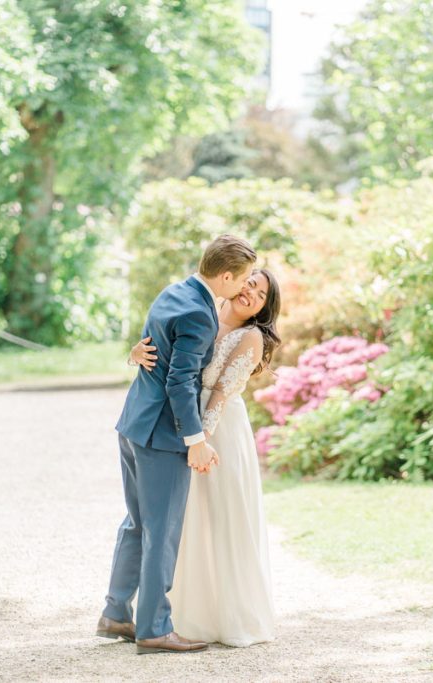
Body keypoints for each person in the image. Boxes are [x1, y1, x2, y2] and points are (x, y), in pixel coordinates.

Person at [97, 235, 256, 655]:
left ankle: (115, 612)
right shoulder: (199, 314)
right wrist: (196, 440)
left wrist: (135, 353)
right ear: (226, 276)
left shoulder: (173, 292)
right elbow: (179, 381)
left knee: (137, 523)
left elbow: (154, 350)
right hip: (162, 436)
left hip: (134, 424)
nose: (245, 287)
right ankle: (153, 628)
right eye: (243, 279)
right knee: (162, 531)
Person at [129, 268, 281, 647]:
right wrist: (134, 354)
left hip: (219, 431)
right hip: (183, 425)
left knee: (222, 515)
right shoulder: (201, 311)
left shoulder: (250, 337)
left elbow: (220, 395)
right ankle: (184, 614)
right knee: (185, 520)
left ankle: (230, 616)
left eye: (261, 295)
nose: (250, 293)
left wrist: (200, 441)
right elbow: (166, 355)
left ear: (263, 308)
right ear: (234, 281)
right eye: (250, 283)